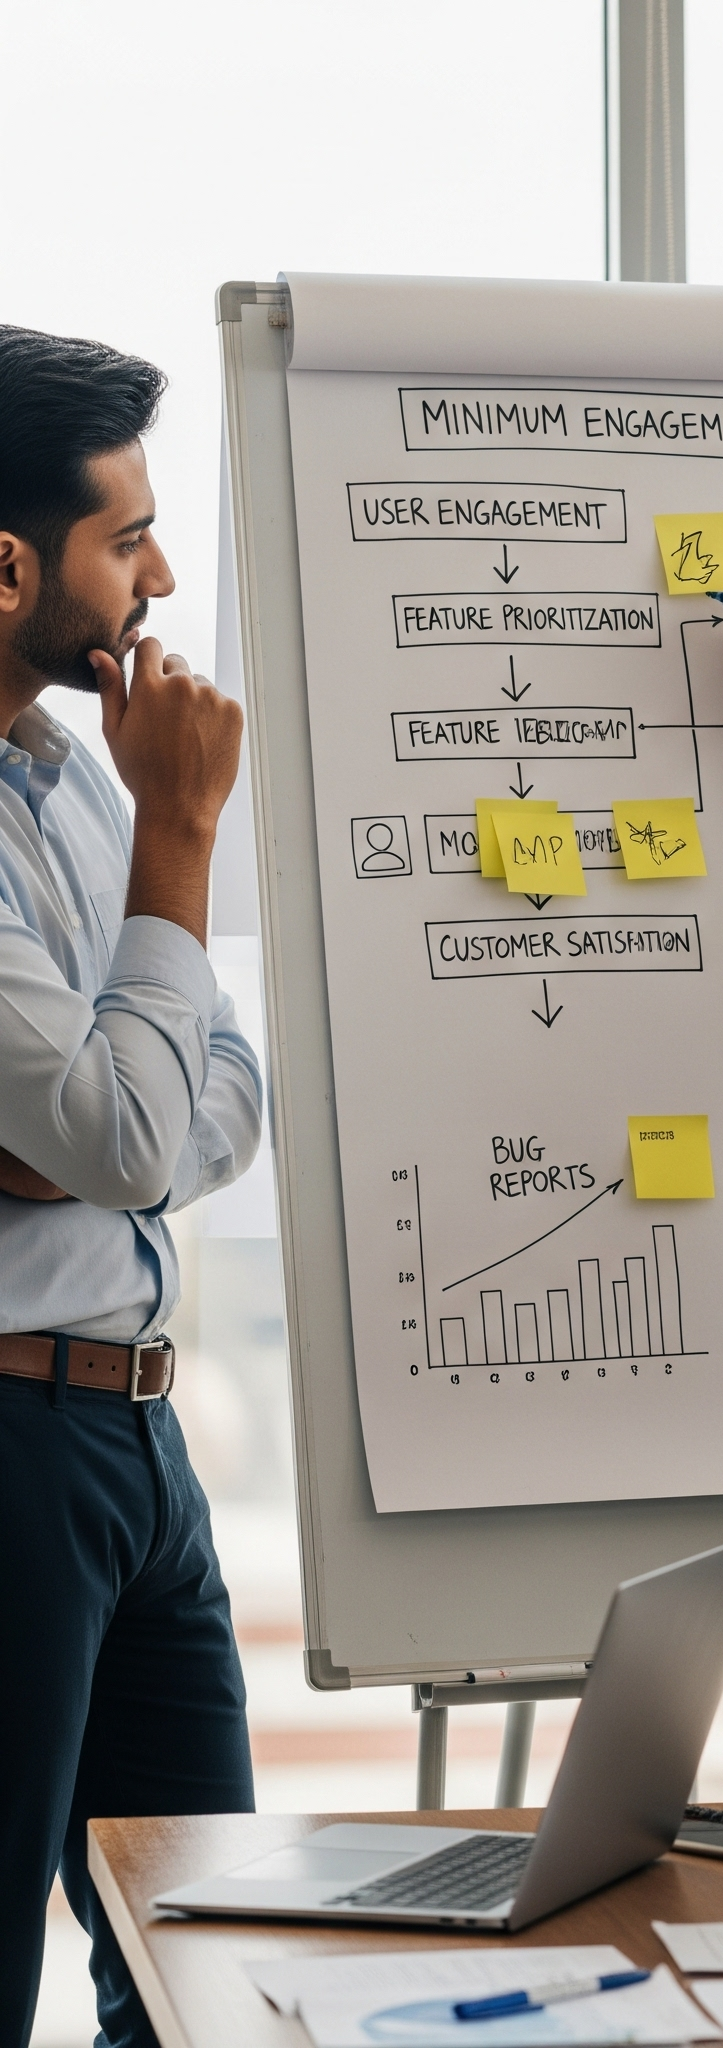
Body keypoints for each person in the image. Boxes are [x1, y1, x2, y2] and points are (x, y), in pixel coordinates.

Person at [0, 327, 261, 2047]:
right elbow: (127, 1137)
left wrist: (107, 1119)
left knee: (209, 1954)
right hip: (13, 1451)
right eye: (126, 538)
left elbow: (212, 1099)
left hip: (140, 1445)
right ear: (9, 564)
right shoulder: (138, 798)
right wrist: (183, 841)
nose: (160, 579)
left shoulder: (70, 774)